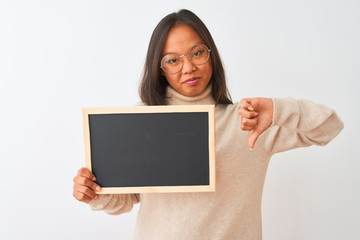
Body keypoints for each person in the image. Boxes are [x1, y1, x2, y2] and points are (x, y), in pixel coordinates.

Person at [73, 9, 343, 240]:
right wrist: (94, 191)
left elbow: (329, 127)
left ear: (211, 55)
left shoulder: (250, 120)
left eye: (197, 52)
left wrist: (279, 108)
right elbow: (123, 201)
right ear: (160, 68)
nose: (188, 67)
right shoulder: (143, 121)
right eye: (173, 60)